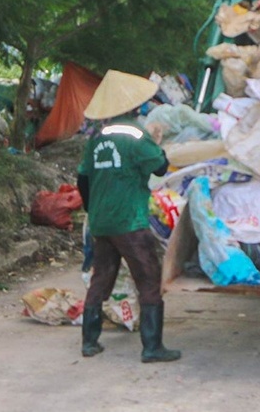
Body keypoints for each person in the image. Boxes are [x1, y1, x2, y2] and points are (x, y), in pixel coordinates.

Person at [77, 69, 182, 363]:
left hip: (102, 223)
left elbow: (82, 180)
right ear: (134, 106)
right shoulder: (136, 134)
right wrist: (159, 147)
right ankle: (152, 347)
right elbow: (160, 167)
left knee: (102, 278)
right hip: (130, 222)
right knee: (148, 279)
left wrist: (93, 208)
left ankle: (89, 342)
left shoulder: (96, 138)